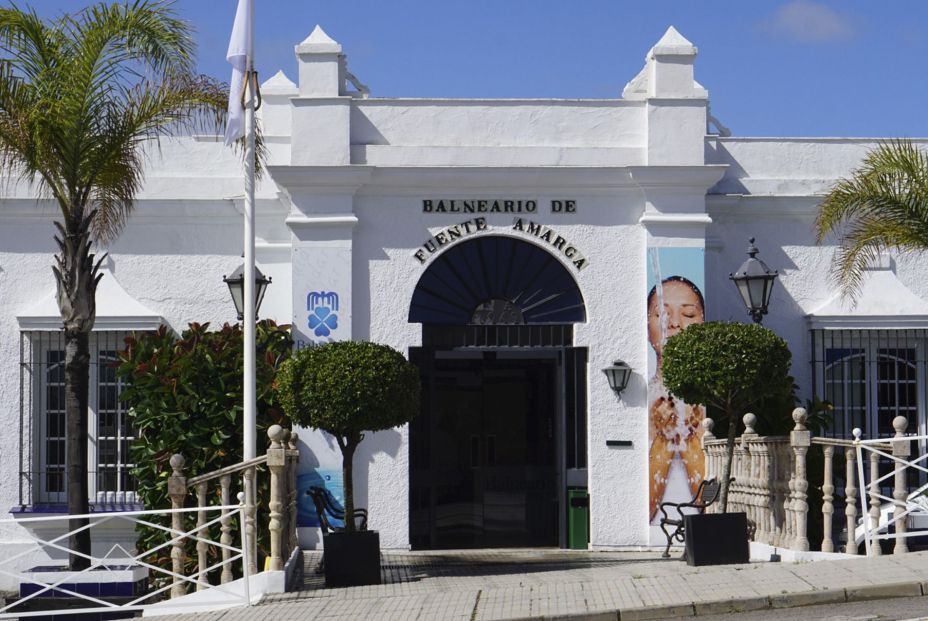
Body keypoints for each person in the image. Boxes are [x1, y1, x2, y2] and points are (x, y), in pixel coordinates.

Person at [647, 276, 706, 521]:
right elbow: (641, 510)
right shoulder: (644, 397)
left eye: (688, 314)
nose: (674, 323)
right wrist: (665, 438)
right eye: (662, 314)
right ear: (646, 325)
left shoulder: (714, 397)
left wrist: (688, 436)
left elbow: (709, 502)